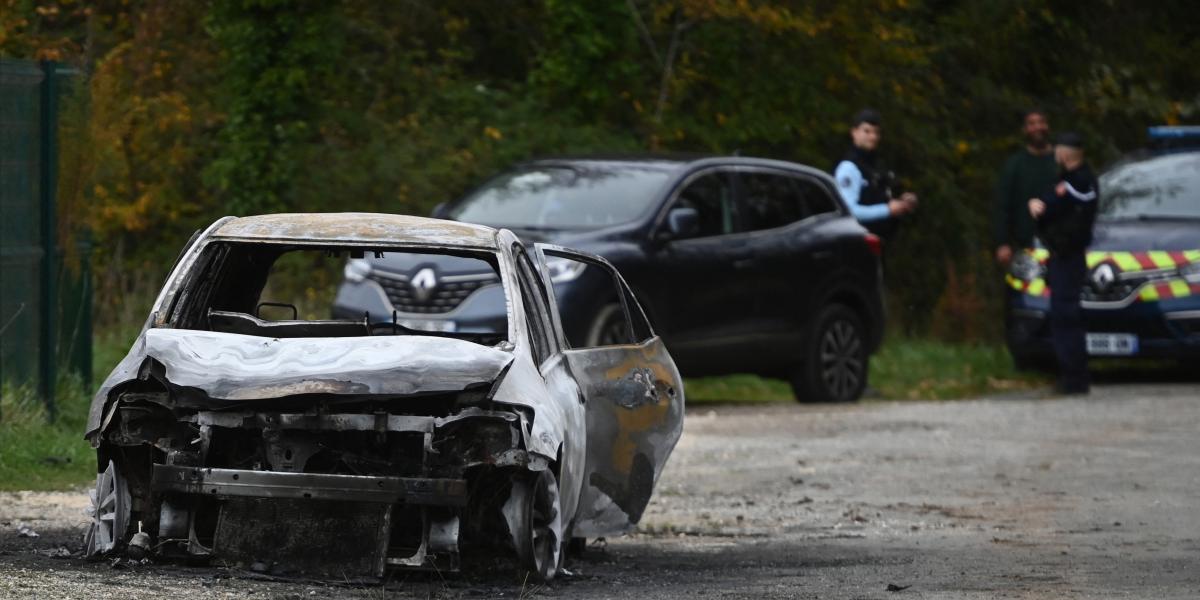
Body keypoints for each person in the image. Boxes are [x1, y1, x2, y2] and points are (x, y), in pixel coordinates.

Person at [1027, 132, 1098, 395]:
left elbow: (1053, 204)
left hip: (1069, 256)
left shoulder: (1079, 182)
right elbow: (1048, 201)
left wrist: (1040, 205)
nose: (1055, 154)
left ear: (1066, 153)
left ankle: (1074, 377)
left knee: (1066, 316)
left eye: (1058, 150)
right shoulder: (1068, 180)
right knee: (1063, 315)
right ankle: (1071, 375)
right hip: (1061, 255)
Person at [833, 109, 917, 239]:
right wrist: (887, 210)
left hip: (878, 241)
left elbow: (882, 196)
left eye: (876, 132)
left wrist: (903, 202)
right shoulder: (849, 167)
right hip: (856, 242)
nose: (873, 137)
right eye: (866, 131)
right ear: (854, 132)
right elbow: (848, 210)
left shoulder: (876, 165)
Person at [994, 108, 1057, 267]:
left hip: (1061, 244)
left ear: (1047, 126)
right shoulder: (1015, 165)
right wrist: (1002, 243)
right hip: (1025, 246)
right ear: (1025, 129)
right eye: (1032, 123)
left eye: (1041, 122)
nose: (1037, 127)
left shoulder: (1061, 161)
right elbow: (1002, 206)